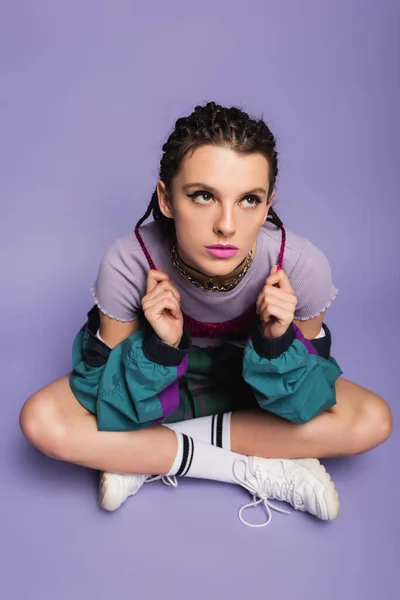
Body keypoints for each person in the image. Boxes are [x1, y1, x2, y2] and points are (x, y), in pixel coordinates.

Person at [19, 102, 392, 528]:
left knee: (372, 420)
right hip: (163, 395)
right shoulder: (127, 261)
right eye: (203, 196)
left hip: (255, 397)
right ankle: (260, 466)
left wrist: (277, 341)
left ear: (269, 203)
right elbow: (113, 397)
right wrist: (161, 346)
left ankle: (142, 458)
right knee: (40, 420)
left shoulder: (302, 266)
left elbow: (303, 402)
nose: (227, 226)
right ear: (166, 199)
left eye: (249, 200)